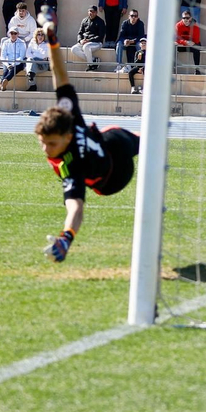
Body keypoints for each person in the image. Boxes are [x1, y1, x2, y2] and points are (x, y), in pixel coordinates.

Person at [32, 16, 142, 262]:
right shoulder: (71, 166)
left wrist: (52, 40)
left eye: (51, 143)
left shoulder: (68, 115)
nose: (45, 149)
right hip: (114, 177)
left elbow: (59, 74)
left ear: (67, 134)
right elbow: (76, 207)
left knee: (149, 142)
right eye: (42, 142)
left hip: (110, 142)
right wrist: (66, 237)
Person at [70, 6, 106, 70]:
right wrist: (80, 41)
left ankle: (90, 65)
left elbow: (101, 36)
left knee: (86, 47)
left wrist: (89, 40)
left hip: (96, 43)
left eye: (93, 12)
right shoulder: (84, 20)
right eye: (90, 11)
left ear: (96, 13)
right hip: (84, 42)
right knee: (73, 49)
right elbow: (80, 33)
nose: (91, 13)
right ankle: (93, 60)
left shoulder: (100, 22)